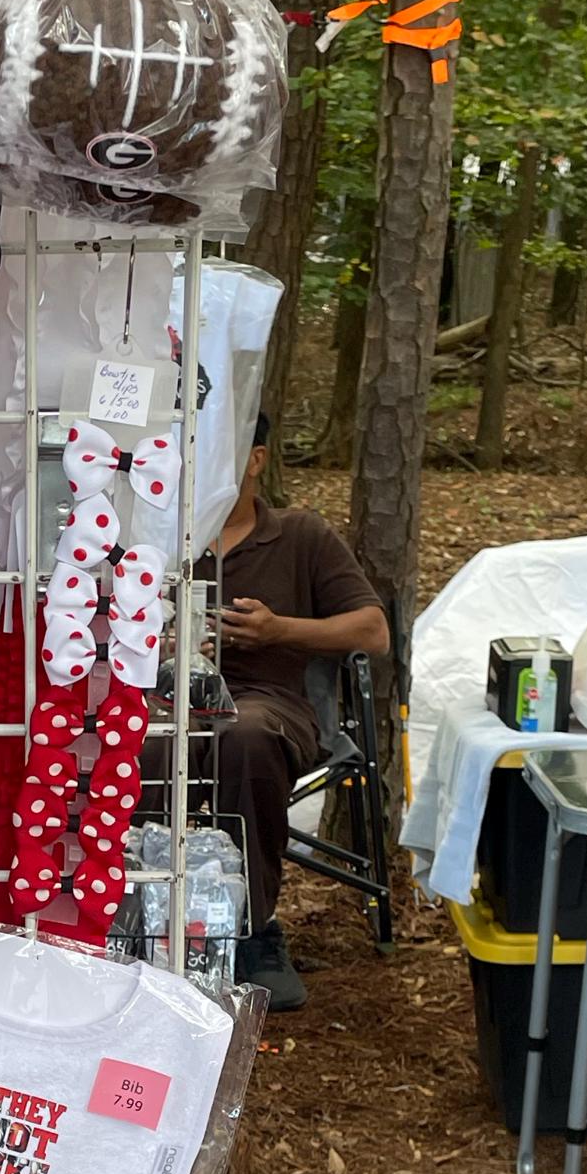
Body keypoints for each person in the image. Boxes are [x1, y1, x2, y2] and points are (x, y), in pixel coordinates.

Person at [192, 417, 388, 1011]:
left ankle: (251, 929)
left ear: (256, 460)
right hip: (170, 697)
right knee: (138, 742)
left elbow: (372, 631)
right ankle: (137, 922)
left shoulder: (301, 535)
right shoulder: (157, 538)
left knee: (246, 736)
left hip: (271, 701)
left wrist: (279, 630)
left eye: (221, 452)